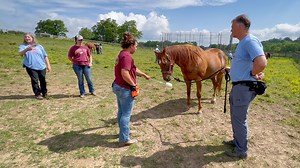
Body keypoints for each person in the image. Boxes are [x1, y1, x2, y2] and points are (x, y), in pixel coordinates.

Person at [223, 14, 267, 159]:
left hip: (243, 87)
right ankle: (237, 142)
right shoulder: (244, 42)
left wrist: (253, 73)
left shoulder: (249, 41)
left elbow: (261, 62)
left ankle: (241, 150)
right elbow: (248, 63)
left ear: (240, 26)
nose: (231, 31)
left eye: (232, 27)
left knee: (239, 119)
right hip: (240, 87)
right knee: (236, 117)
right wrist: (233, 70)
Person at [112, 32, 150, 147]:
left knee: (121, 111)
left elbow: (132, 69)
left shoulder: (122, 54)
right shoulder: (127, 56)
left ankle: (124, 132)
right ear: (131, 45)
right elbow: (125, 73)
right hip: (125, 89)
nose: (137, 48)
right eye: (136, 46)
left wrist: (143, 75)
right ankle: (124, 139)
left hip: (118, 86)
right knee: (126, 114)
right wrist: (133, 85)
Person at [18, 33, 52, 100]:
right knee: (34, 80)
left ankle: (44, 93)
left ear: (32, 38)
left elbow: (45, 56)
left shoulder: (39, 46)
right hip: (31, 66)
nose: (27, 38)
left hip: (41, 66)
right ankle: (37, 94)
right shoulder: (23, 46)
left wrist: (48, 65)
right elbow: (20, 53)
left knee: (43, 79)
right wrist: (26, 50)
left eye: (28, 37)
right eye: (25, 37)